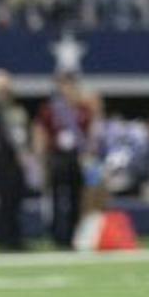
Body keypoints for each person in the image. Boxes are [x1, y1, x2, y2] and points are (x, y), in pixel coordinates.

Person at [32, 70, 96, 251]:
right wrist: (41, 159)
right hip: (57, 157)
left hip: (76, 157)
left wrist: (89, 155)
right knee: (56, 198)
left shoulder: (83, 110)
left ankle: (73, 235)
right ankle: (56, 235)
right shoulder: (50, 109)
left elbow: (89, 135)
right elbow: (40, 132)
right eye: (64, 85)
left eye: (70, 84)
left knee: (76, 198)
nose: (67, 89)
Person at [0, 68, 33, 252]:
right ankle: (3, 238)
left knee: (16, 200)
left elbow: (24, 131)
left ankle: (16, 238)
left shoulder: (16, 109)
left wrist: (25, 152)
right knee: (4, 201)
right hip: (2, 160)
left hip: (18, 161)